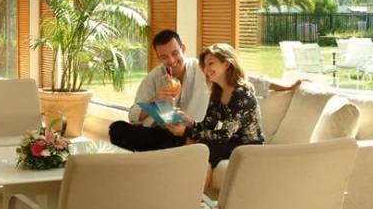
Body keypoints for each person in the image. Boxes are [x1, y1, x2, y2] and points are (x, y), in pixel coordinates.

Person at [108, 29, 300, 152]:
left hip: (190, 135)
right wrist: (155, 101)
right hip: (164, 132)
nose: (171, 61)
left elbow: (246, 80)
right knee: (117, 129)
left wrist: (286, 86)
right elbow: (133, 115)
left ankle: (161, 153)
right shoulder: (154, 78)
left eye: (175, 53)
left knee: (172, 142)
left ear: (183, 48)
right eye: (164, 57)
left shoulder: (204, 70)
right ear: (159, 57)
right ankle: (161, 151)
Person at [165, 43, 264, 186]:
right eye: (205, 65)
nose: (206, 69)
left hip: (249, 146)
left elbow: (224, 134)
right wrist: (190, 123)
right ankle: (183, 189)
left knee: (205, 148)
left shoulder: (241, 94)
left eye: (211, 63)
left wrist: (186, 131)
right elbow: (207, 126)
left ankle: (195, 195)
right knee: (191, 142)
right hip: (231, 142)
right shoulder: (217, 93)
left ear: (226, 64)